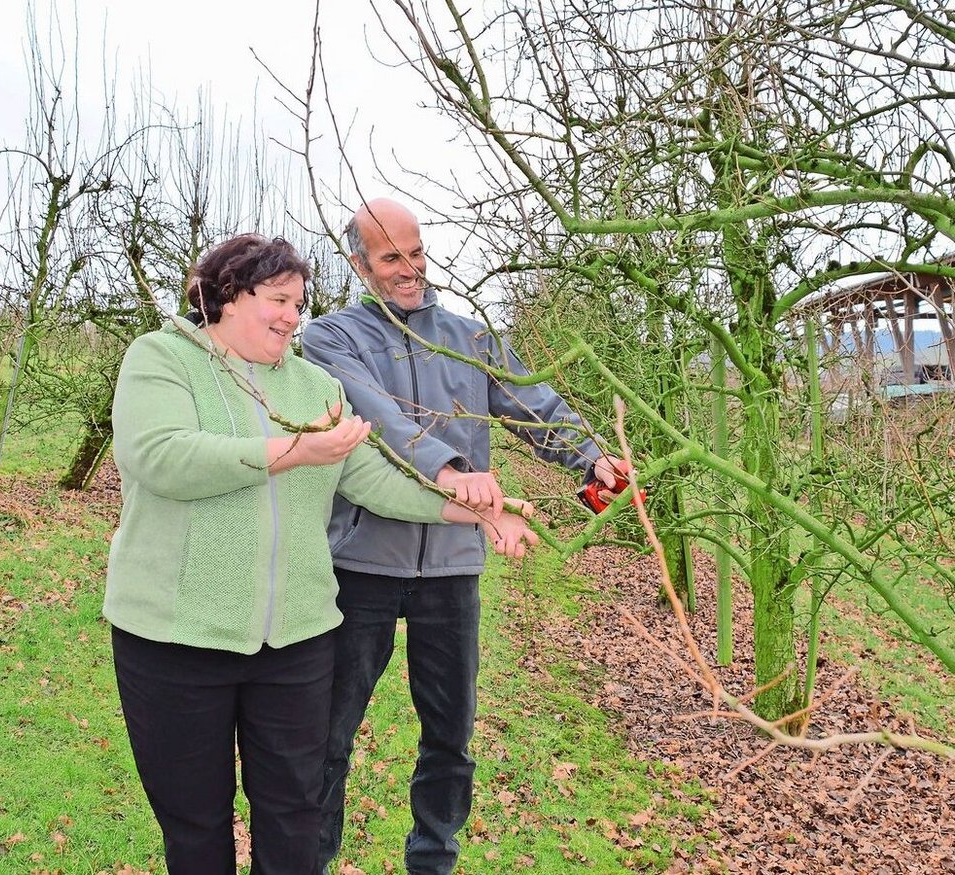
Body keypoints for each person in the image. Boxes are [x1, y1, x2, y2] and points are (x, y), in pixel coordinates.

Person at [103, 233, 537, 875]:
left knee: (295, 814)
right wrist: (294, 453)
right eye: (276, 300)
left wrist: (470, 509)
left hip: (297, 642)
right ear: (223, 296)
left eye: (298, 303)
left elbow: (371, 479)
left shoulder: (315, 387)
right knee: (195, 821)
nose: (290, 316)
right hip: (176, 638)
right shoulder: (162, 360)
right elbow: (162, 458)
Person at [303, 199, 628, 874]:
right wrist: (450, 471)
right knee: (327, 735)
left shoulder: (470, 339)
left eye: (417, 252)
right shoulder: (332, 338)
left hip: (451, 568)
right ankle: (308, 859)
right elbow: (378, 414)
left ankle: (433, 860)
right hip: (361, 562)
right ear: (360, 265)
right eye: (392, 257)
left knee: (450, 738)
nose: (410, 268)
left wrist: (591, 455)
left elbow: (534, 404)